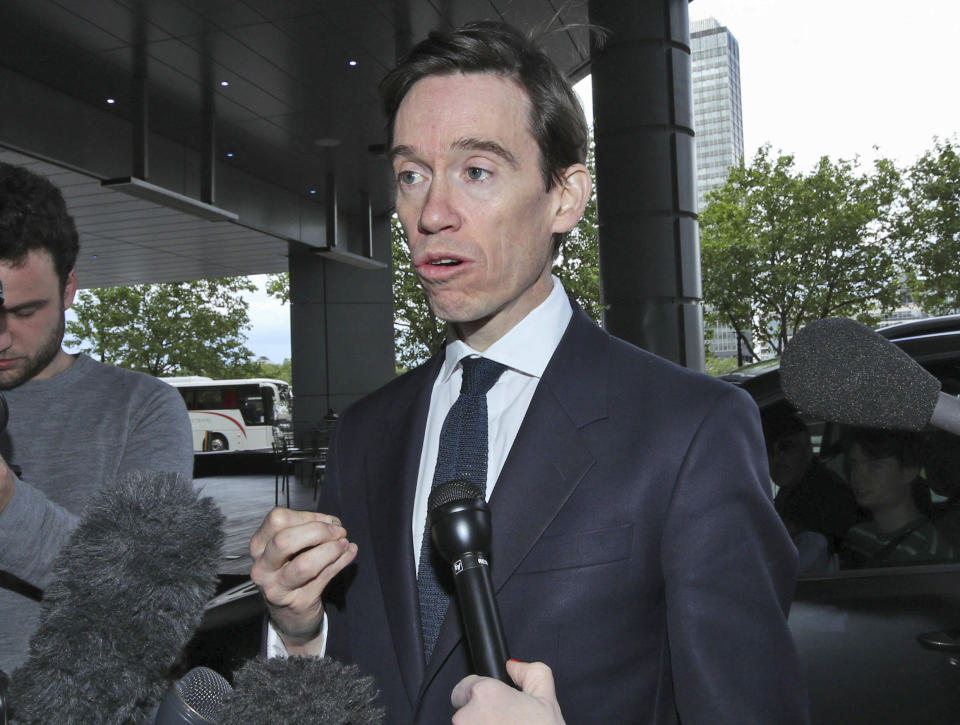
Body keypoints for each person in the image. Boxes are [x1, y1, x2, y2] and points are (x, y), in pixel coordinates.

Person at [250, 21, 808, 724]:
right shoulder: (365, 433)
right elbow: (361, 679)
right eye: (411, 175)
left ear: (565, 198)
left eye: (476, 170)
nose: (432, 212)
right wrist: (299, 632)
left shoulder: (690, 430)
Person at [0, 161, 194, 673]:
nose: (1, 337)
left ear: (68, 291)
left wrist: (7, 504)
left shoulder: (142, 408)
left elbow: (144, 595)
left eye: (24, 313)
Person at [839, 427, 957, 568]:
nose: (858, 476)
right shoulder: (857, 536)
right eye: (853, 465)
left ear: (909, 471)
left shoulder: (929, 551)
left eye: (874, 466)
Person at [762, 403, 862, 550]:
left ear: (808, 448)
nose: (776, 459)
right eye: (768, 450)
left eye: (786, 447)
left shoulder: (827, 497)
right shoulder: (794, 488)